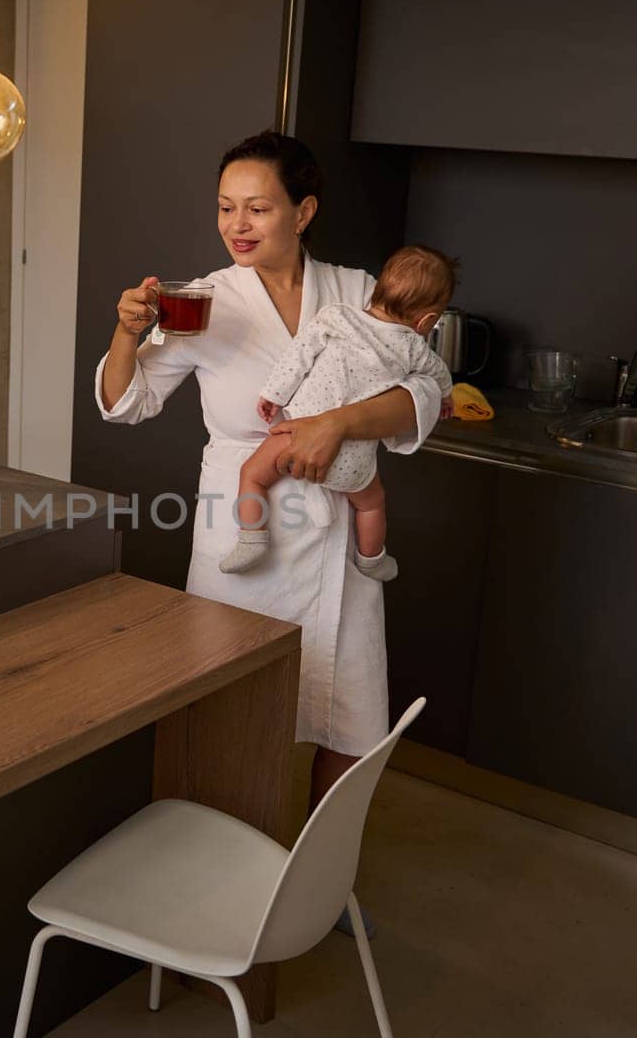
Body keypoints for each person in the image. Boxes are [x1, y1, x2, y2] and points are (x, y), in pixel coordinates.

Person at [97, 129, 441, 833]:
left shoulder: (358, 292)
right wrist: (126, 333)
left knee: (351, 716)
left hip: (335, 535)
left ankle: (321, 874)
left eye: (258, 208)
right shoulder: (203, 298)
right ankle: (219, 865)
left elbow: (427, 395)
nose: (237, 226)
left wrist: (337, 424)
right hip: (243, 536)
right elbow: (124, 402)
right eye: (226, 208)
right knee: (229, 714)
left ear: (303, 212)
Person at [219, 245, 457, 579]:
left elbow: (297, 358)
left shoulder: (338, 316)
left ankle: (252, 537)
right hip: (355, 460)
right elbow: (439, 378)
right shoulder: (415, 348)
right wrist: (447, 398)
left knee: (252, 475)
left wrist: (273, 394)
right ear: (427, 320)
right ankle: (372, 558)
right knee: (372, 503)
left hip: (294, 436)